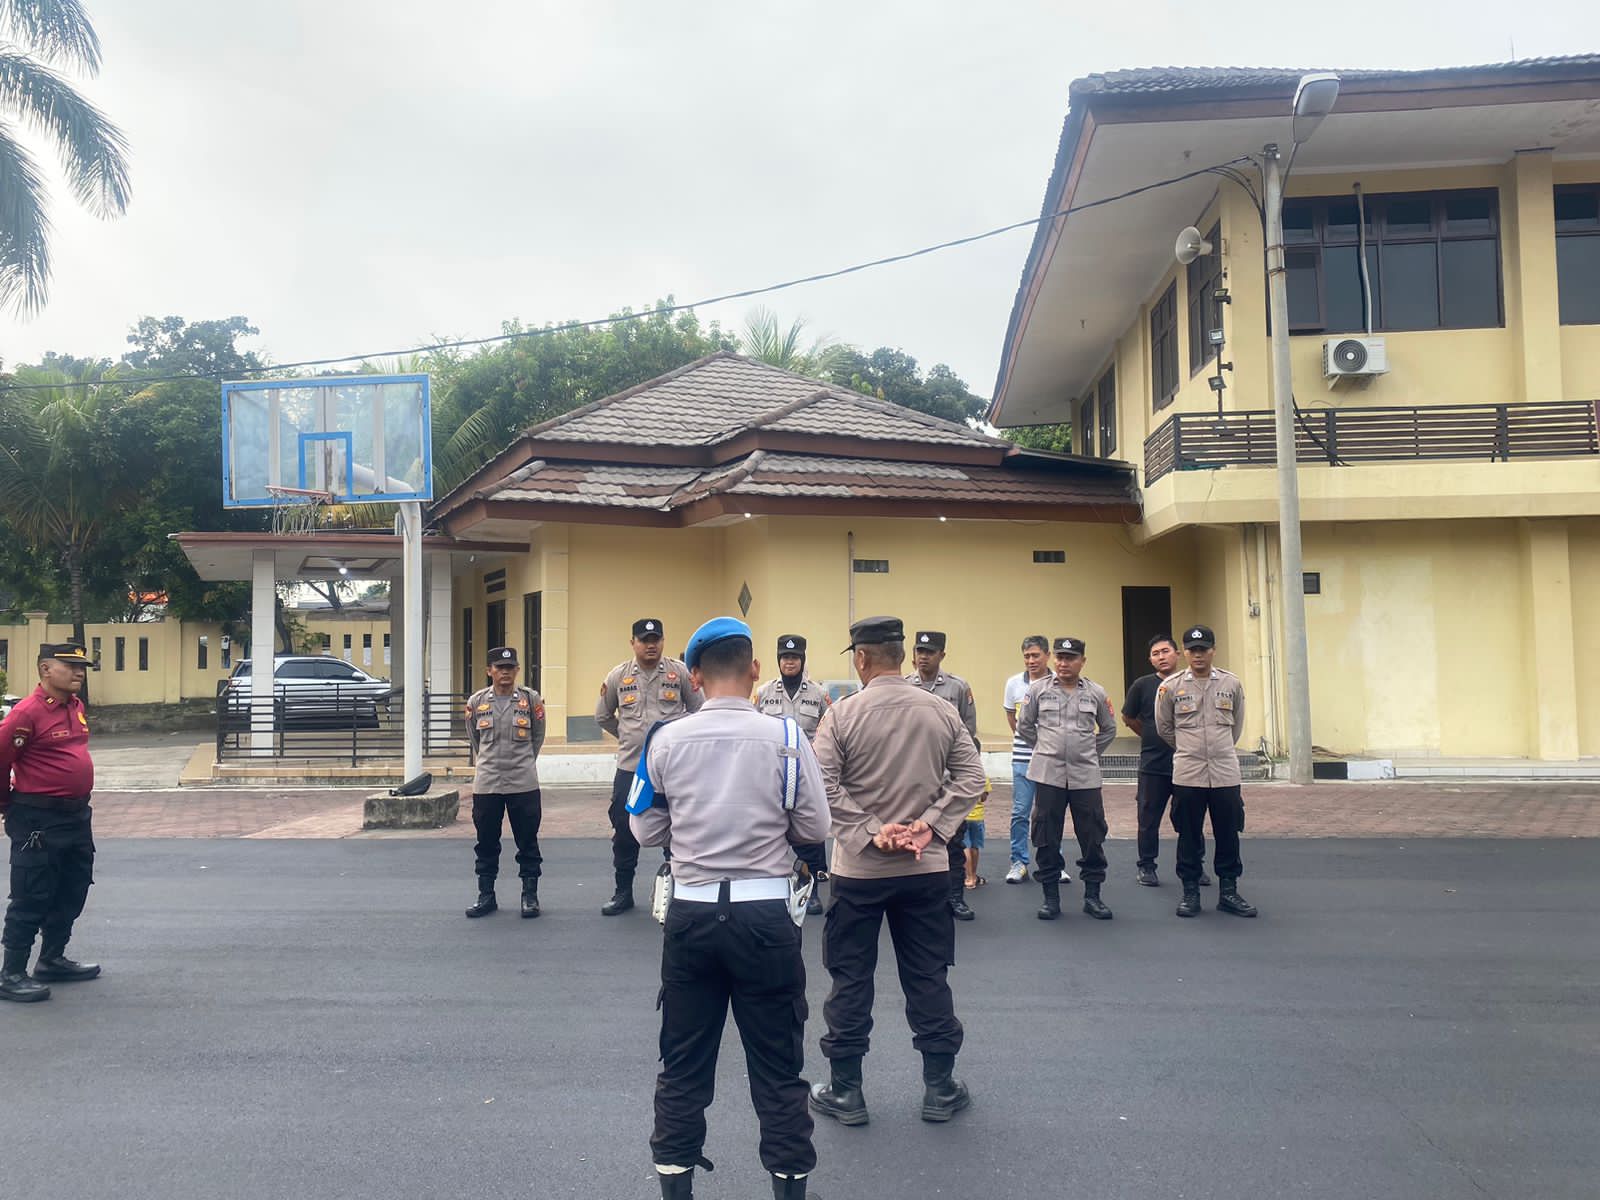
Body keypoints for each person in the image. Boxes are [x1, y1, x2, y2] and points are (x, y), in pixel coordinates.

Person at [629, 617, 830, 1200]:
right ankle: (789, 1185)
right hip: (765, 917)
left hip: (691, 914)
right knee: (778, 1067)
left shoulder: (664, 739)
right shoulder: (787, 737)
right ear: (755, 670)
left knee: (683, 1064)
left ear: (693, 676)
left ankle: (676, 1185)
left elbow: (644, 829)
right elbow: (815, 827)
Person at [809, 617, 985, 1127]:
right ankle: (939, 1088)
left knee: (851, 979)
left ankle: (847, 1091)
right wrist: (931, 825)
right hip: (924, 866)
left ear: (861, 658)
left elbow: (821, 785)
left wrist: (870, 831)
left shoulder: (841, 714)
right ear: (902, 656)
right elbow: (971, 776)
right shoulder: (940, 710)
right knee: (928, 976)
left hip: (860, 871)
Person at [0, 643, 101, 1003]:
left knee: (72, 886)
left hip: (76, 815)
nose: (79, 672)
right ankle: (11, 973)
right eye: (70, 666)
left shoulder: (75, 706)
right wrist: (6, 806)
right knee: (32, 893)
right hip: (37, 817)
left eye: (82, 667)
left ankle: (52, 959)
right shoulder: (26, 713)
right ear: (45, 669)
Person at [595, 619, 702, 915]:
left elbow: (698, 710)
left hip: (672, 769)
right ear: (633, 643)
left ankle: (679, 891)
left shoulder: (679, 673)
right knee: (623, 829)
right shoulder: (618, 676)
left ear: (663, 641)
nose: (651, 645)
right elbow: (603, 715)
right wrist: (628, 737)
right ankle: (622, 892)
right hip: (631, 768)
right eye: (644, 640)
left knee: (677, 827)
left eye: (656, 639)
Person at [1156, 625, 1258, 920]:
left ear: (1213, 650)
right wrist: (1191, 749)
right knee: (1188, 834)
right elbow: (1164, 727)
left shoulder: (1231, 683)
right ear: (1184, 653)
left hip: (1225, 772)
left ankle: (1229, 891)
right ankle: (1190, 892)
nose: (1198, 655)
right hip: (1189, 773)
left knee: (1228, 833)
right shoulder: (1171, 686)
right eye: (1192, 650)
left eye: (1203, 649)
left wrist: (1217, 749)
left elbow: (1236, 725)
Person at [1014, 637, 1117, 921]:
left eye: (1070, 658)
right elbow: (1025, 725)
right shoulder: (1037, 690)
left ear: (1082, 661)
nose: (1063, 663)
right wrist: (1046, 749)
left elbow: (1109, 729)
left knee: (1093, 836)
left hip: (1085, 776)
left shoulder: (1096, 692)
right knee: (1046, 836)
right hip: (1048, 774)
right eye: (1059, 657)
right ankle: (1050, 898)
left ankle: (1093, 897)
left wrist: (1088, 752)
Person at [463, 647, 547, 919]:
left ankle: (529, 896)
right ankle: (486, 895)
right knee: (486, 842)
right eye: (500, 667)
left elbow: (537, 737)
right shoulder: (477, 702)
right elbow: (475, 740)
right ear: (489, 671)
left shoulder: (530, 699)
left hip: (523, 782)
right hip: (488, 783)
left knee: (528, 841)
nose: (505, 672)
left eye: (510, 667)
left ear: (517, 670)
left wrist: (523, 762)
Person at [1121, 634, 1208, 889]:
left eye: (1165, 651)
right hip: (1153, 766)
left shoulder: (1191, 683)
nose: (1161, 657)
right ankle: (1146, 866)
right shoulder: (1142, 685)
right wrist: (1152, 734)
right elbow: (1128, 717)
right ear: (1150, 659)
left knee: (1190, 820)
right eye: (1155, 653)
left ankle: (1195, 866)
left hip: (1188, 765)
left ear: (1177, 654)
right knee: (1148, 819)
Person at [905, 630, 981, 922]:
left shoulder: (958, 688)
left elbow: (968, 733)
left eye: (930, 652)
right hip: (913, 778)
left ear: (942, 655)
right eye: (920, 651)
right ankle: (916, 901)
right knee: (912, 839)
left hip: (948, 779)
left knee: (952, 841)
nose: (923, 656)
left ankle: (955, 898)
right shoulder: (904, 686)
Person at [755, 634, 830, 915]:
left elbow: (829, 729)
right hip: (772, 773)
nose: (790, 662)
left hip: (805, 773)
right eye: (785, 657)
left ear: (802, 660)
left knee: (809, 832)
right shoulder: (764, 692)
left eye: (795, 657)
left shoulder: (818, 694)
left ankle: (811, 890)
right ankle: (768, 890)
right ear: (778, 660)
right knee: (768, 830)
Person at [1002, 635, 1054, 885]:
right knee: (1020, 812)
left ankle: (1052, 863)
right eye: (1027, 656)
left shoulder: (1058, 681)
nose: (1031, 660)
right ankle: (1019, 862)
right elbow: (1012, 718)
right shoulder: (1014, 683)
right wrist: (1028, 740)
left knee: (1049, 813)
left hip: (1051, 758)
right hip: (1023, 757)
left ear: (1047, 656)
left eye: (1035, 655)